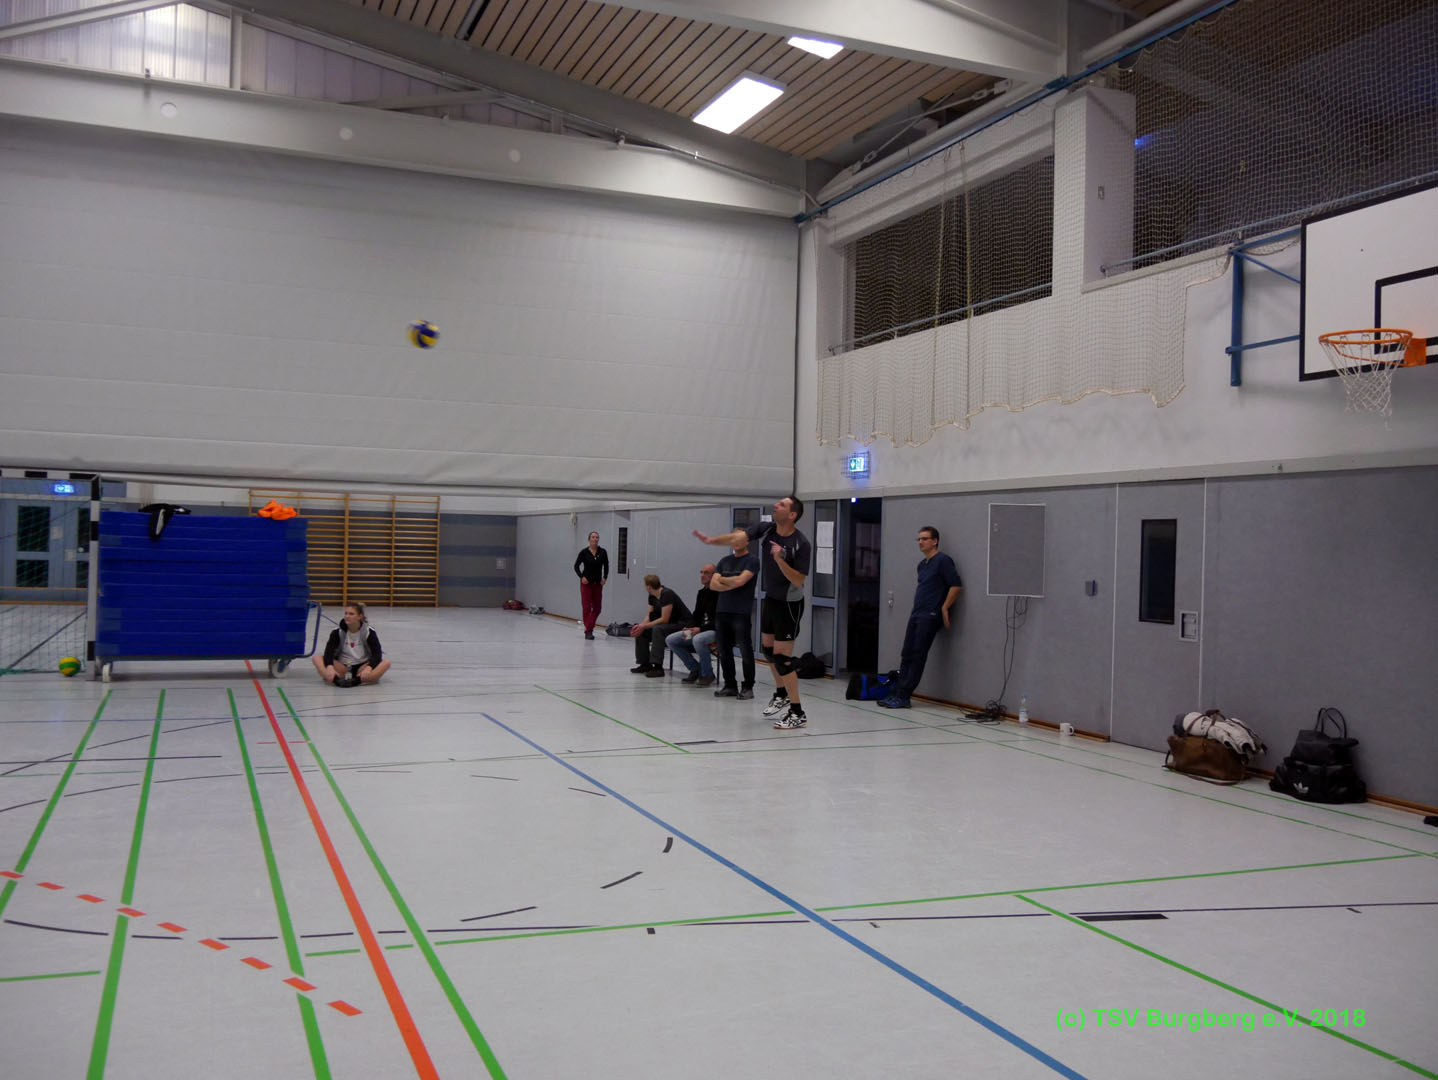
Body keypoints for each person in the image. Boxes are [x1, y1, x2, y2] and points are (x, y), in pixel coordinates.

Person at [693, 495, 812, 728]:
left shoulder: (801, 543)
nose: (776, 505)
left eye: (782, 505)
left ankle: (797, 712)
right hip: (772, 599)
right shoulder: (768, 529)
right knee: (769, 651)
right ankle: (781, 693)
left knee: (783, 659)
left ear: (792, 515)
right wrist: (711, 540)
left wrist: (779, 559)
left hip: (789, 603)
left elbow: (799, 580)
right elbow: (738, 537)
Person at [879, 526, 963, 709]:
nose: (921, 542)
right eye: (919, 539)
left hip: (930, 615)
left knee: (918, 655)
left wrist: (944, 608)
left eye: (925, 539)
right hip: (917, 613)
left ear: (935, 541)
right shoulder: (922, 565)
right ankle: (898, 692)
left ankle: (905, 695)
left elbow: (956, 585)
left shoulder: (943, 561)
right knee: (907, 653)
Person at [707, 536, 760, 700]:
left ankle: (748, 687)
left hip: (740, 612)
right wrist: (730, 583)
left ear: (746, 542)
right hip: (723, 611)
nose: (736, 542)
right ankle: (730, 685)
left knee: (745, 650)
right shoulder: (724, 561)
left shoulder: (752, 561)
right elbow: (712, 585)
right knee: (724, 650)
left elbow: (740, 581)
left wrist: (722, 579)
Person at [313, 601, 390, 687]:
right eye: (346, 613)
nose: (347, 616)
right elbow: (328, 652)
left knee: (386, 663)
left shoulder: (369, 632)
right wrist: (329, 667)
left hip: (362, 667)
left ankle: (356, 681)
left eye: (351, 614)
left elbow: (377, 654)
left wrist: (369, 668)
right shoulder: (337, 632)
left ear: (360, 616)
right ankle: (335, 680)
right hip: (342, 667)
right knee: (317, 658)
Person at [629, 574, 692, 678]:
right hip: (668, 624)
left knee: (658, 630)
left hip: (681, 624)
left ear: (649, 586)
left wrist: (644, 626)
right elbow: (650, 615)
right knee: (642, 631)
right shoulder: (652, 595)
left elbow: (664, 619)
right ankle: (645, 664)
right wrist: (641, 626)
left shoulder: (667, 594)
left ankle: (658, 667)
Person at [665, 565, 719, 686]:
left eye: (706, 573)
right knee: (671, 640)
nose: (702, 575)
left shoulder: (720, 593)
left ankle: (707, 674)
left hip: (714, 630)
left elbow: (719, 620)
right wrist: (689, 627)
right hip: (699, 629)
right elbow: (696, 615)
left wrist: (700, 629)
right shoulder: (701, 593)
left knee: (698, 640)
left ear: (714, 575)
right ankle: (695, 668)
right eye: (701, 572)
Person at [573, 531, 609, 639]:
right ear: (589, 539)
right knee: (586, 607)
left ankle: (589, 626)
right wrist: (581, 577)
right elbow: (576, 566)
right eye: (593, 537)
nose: (595, 539)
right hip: (586, 584)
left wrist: (605, 577)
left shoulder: (603, 552)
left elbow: (606, 566)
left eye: (597, 537)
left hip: (597, 584)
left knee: (597, 608)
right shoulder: (584, 552)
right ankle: (589, 631)